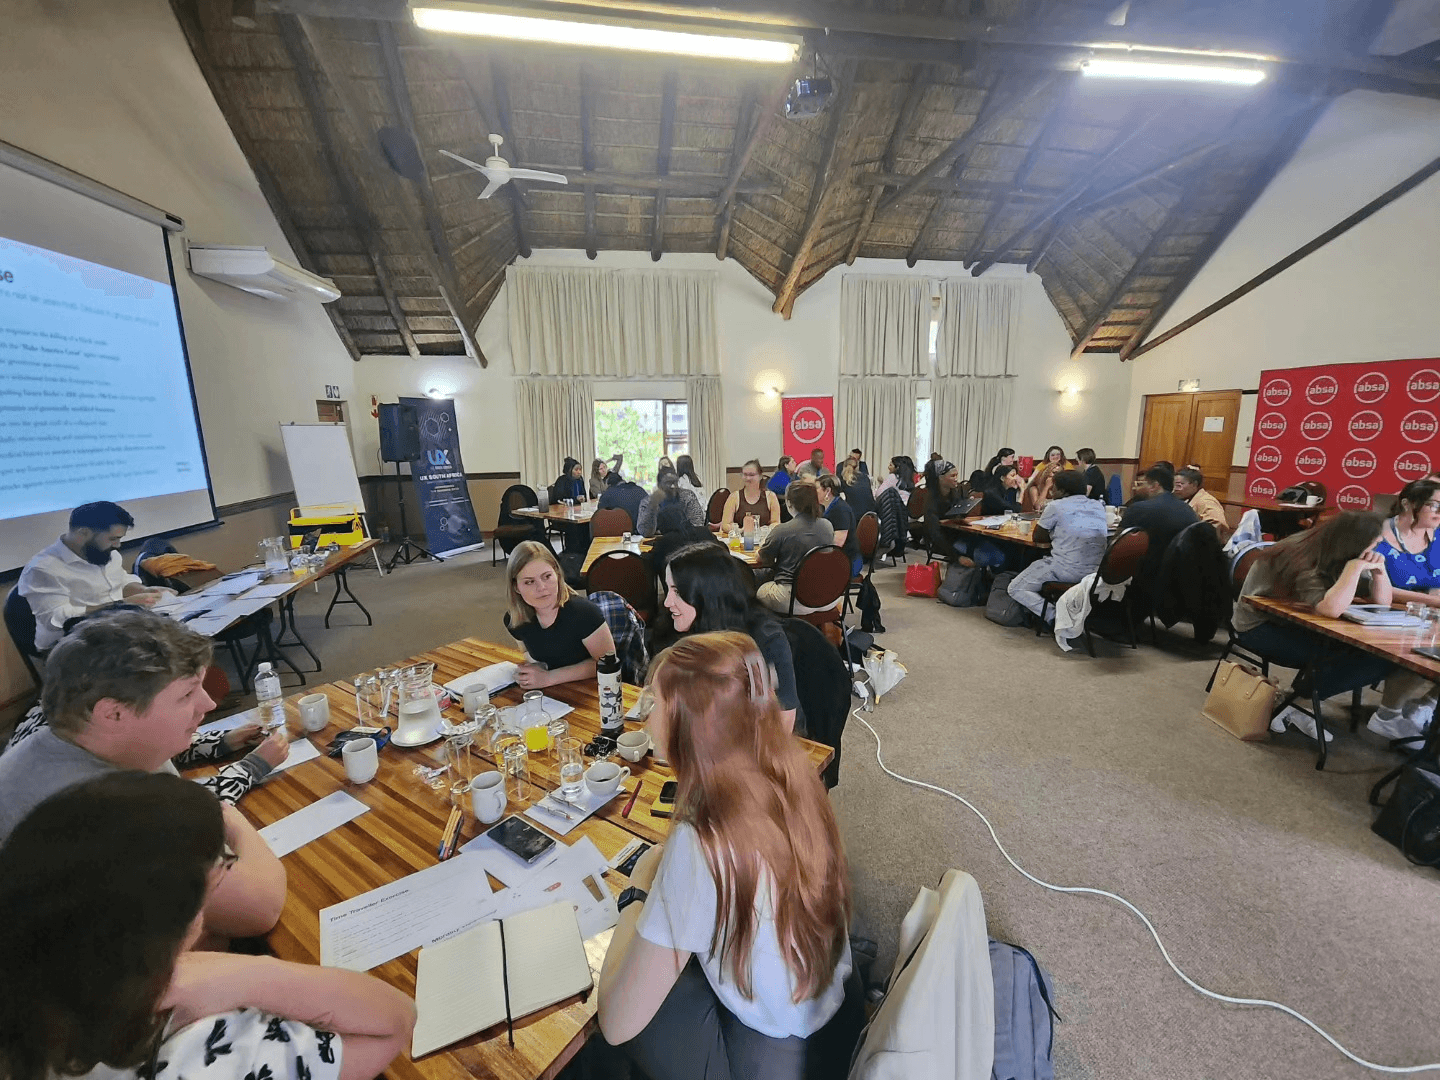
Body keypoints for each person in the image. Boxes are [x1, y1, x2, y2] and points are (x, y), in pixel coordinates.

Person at [0, 771, 416, 1080]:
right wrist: (236, 973)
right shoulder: (191, 1050)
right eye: (219, 869)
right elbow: (394, 1022)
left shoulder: (38, 1000)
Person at [597, 633, 861, 1080]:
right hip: (831, 1009)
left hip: (774, 1050)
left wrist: (637, 891)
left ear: (690, 723)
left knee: (618, 1013)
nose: (646, 715)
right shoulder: (789, 770)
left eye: (656, 704)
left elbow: (617, 1023)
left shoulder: (702, 838)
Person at [0, 610, 286, 943]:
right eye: (186, 694)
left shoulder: (66, 727)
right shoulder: (102, 812)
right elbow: (257, 909)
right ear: (114, 712)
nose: (208, 703)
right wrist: (229, 817)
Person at [1232, 512, 1436, 743]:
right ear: (1353, 541)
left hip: (1299, 622)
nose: (1380, 545)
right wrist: (1353, 569)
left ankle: (1299, 704)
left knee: (1375, 656)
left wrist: (1380, 573)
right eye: (1377, 541)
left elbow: (1382, 604)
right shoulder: (1304, 554)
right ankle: (1298, 704)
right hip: (1260, 627)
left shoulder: (1338, 549)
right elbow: (1329, 609)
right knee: (1369, 658)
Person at [659, 545, 799, 731]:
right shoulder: (685, 628)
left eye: (677, 591)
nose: (667, 602)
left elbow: (780, 726)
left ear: (707, 594)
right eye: (668, 589)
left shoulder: (762, 642)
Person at [18, 501, 173, 651]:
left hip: (116, 629)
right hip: (71, 644)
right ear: (83, 533)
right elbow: (55, 619)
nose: (118, 545)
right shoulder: (42, 569)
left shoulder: (103, 553)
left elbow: (120, 581)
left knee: (175, 637)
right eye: (113, 539)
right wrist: (119, 605)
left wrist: (142, 589)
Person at [504, 541, 617, 690]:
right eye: (529, 582)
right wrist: (533, 671)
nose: (542, 587)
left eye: (547, 576)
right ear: (516, 587)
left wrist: (548, 678)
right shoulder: (514, 620)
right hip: (555, 691)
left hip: (593, 691)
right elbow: (527, 652)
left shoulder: (584, 613)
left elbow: (607, 663)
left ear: (557, 574)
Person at [1006, 470, 1108, 623]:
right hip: (1096, 572)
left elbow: (1038, 537)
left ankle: (1055, 616)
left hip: (1066, 570)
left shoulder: (1056, 506)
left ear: (1062, 490)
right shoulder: (1098, 505)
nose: (1052, 491)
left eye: (1054, 487)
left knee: (1016, 588)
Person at [754, 481, 834, 615]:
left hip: (793, 600)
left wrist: (761, 546)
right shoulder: (828, 526)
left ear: (789, 503)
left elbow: (762, 559)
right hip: (827, 596)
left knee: (758, 587)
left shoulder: (782, 530)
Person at [1375, 478, 1440, 610]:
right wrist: (1433, 601)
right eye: (1434, 505)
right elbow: (1371, 588)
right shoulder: (1375, 537)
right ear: (1407, 504)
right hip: (1388, 615)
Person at [817, 475, 862, 577]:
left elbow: (837, 545)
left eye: (816, 489)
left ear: (827, 491)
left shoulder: (840, 510)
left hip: (848, 561)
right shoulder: (827, 507)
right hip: (840, 557)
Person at [638, 468, 705, 537]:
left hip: (685, 541)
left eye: (675, 482)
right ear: (659, 485)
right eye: (668, 483)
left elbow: (698, 526)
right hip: (658, 543)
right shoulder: (648, 502)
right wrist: (653, 505)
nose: (673, 486)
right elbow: (645, 532)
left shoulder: (687, 497)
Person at [721, 459, 782, 530]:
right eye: (745, 475)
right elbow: (725, 525)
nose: (748, 478)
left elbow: (776, 522)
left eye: (751, 475)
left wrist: (766, 529)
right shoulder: (734, 497)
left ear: (760, 476)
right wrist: (740, 530)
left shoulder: (771, 496)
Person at [1173, 467, 1230, 541]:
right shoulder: (1186, 498)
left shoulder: (1206, 501)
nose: (1176, 489)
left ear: (1194, 484)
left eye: (1179, 485)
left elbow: (1219, 524)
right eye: (1174, 485)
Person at [1022, 446, 1073, 512]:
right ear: (1047, 474)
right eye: (1054, 472)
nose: (1056, 476)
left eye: (1058, 473)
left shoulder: (1061, 487)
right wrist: (1046, 487)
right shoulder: (1034, 489)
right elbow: (1038, 508)